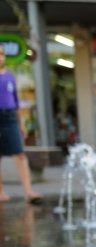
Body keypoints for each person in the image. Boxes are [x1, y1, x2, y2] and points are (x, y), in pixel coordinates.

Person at [0, 44, 41, 203]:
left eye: (2, 53)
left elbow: (16, 102)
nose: (0, 57)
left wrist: (21, 124)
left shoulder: (10, 76)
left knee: (20, 154)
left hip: (10, 118)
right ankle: (1, 192)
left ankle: (29, 191)